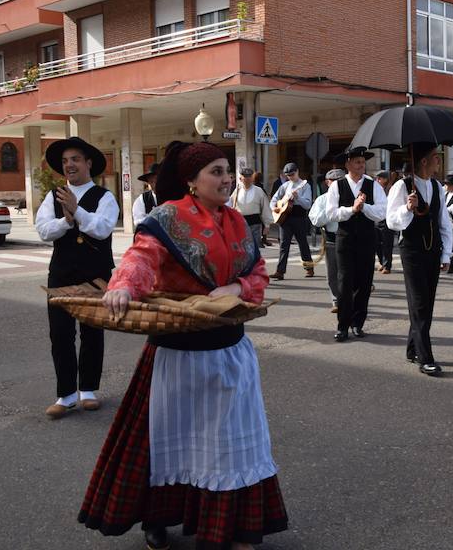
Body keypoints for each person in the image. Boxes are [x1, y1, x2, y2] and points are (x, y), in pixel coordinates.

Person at [81, 142, 287, 550]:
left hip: (229, 351)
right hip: (178, 354)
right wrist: (123, 287)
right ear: (192, 180)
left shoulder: (236, 221)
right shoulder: (167, 217)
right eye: (216, 172)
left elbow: (259, 274)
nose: (226, 179)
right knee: (167, 439)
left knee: (227, 444)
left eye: (227, 171)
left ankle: (231, 527)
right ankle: (157, 517)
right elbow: (141, 257)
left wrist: (236, 288)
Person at [35, 136, 119, 419]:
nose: (69, 165)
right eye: (65, 161)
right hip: (61, 272)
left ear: (88, 163)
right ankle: (66, 395)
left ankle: (88, 390)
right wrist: (66, 220)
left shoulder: (105, 197)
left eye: (75, 159)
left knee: (92, 331)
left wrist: (77, 210)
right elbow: (43, 230)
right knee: (60, 333)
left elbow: (102, 229)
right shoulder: (54, 196)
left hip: (94, 274)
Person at [386, 145, 453, 376]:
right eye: (436, 157)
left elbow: (443, 221)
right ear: (424, 161)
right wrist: (407, 208)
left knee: (428, 302)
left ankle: (412, 348)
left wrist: (446, 253)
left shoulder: (437, 186)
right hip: (412, 250)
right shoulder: (402, 186)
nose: (439, 161)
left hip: (433, 249)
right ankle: (426, 358)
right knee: (419, 303)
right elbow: (391, 221)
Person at [325, 149, 387, 342]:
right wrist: (352, 209)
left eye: (363, 162)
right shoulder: (337, 186)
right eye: (357, 162)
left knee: (364, 282)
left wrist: (364, 207)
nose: (361, 165)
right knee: (344, 282)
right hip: (345, 238)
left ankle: (358, 323)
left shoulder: (373, 185)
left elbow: (382, 212)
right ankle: (342, 326)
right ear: (348, 164)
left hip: (367, 239)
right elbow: (331, 213)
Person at [309, 168, 347, 313]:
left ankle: (349, 299)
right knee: (333, 272)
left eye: (340, 181)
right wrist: (330, 209)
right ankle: (336, 300)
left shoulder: (352, 196)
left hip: (350, 238)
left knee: (349, 271)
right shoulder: (322, 200)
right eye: (333, 181)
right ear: (327, 183)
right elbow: (315, 220)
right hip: (332, 238)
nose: (336, 184)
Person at [269, 163, 314, 280]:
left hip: (299, 218)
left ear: (297, 171)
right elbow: (274, 199)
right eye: (288, 175)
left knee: (302, 243)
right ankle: (280, 271)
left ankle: (309, 267)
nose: (290, 177)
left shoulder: (305, 186)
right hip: (285, 218)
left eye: (292, 174)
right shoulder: (285, 186)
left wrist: (298, 197)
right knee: (284, 245)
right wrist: (274, 207)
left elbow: (307, 204)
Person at [229, 167, 273, 246]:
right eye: (245, 177)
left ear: (252, 178)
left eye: (249, 177)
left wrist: (267, 225)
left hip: (255, 223)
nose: (247, 179)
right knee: (242, 247)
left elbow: (265, 207)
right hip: (240, 223)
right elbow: (230, 205)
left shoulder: (259, 191)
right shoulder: (237, 190)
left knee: (255, 247)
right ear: (240, 178)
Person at [374, 170, 396, 274]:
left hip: (387, 220)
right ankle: (381, 262)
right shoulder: (376, 190)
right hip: (377, 219)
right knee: (377, 243)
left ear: (385, 179)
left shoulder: (391, 190)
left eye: (379, 178)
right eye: (377, 178)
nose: (377, 180)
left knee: (387, 244)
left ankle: (387, 265)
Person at [132, 162, 160, 227]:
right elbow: (138, 221)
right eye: (151, 182)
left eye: (157, 181)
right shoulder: (142, 199)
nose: (155, 185)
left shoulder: (172, 197)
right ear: (148, 183)